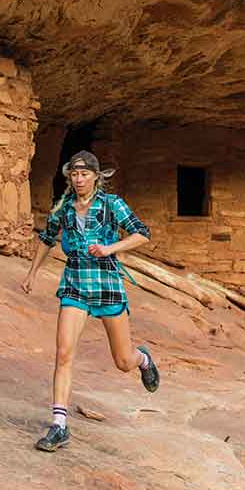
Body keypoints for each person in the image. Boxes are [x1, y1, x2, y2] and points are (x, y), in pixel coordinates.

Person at [21, 150, 159, 452]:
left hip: (107, 286)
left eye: (84, 174)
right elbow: (47, 239)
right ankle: (59, 425)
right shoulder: (65, 209)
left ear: (97, 176)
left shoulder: (111, 205)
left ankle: (143, 359)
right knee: (63, 352)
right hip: (75, 285)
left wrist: (111, 249)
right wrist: (32, 273)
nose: (79, 179)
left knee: (123, 361)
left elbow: (142, 234)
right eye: (74, 174)